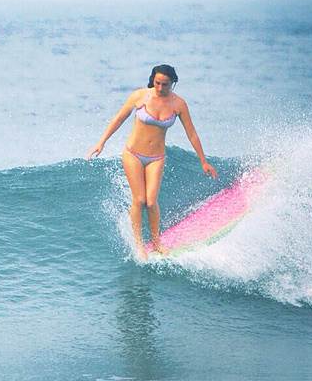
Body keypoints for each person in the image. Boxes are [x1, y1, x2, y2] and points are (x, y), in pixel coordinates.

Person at [87, 65, 217, 258]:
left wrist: (203, 161)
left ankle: (156, 243)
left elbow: (192, 134)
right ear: (152, 80)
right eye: (157, 83)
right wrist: (101, 142)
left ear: (172, 83)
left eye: (165, 84)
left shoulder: (179, 104)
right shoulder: (140, 96)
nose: (160, 88)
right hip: (133, 154)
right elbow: (119, 119)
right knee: (139, 200)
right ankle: (139, 245)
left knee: (151, 201)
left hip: (156, 158)